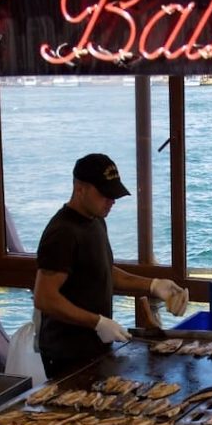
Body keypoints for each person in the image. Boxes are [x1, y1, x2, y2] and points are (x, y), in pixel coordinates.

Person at [34, 153, 188, 379]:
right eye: (105, 194)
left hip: (96, 346)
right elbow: (45, 297)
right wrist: (97, 322)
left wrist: (153, 285)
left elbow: (104, 270)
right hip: (66, 353)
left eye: (114, 194)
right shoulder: (62, 233)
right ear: (80, 189)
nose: (112, 201)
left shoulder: (96, 220)